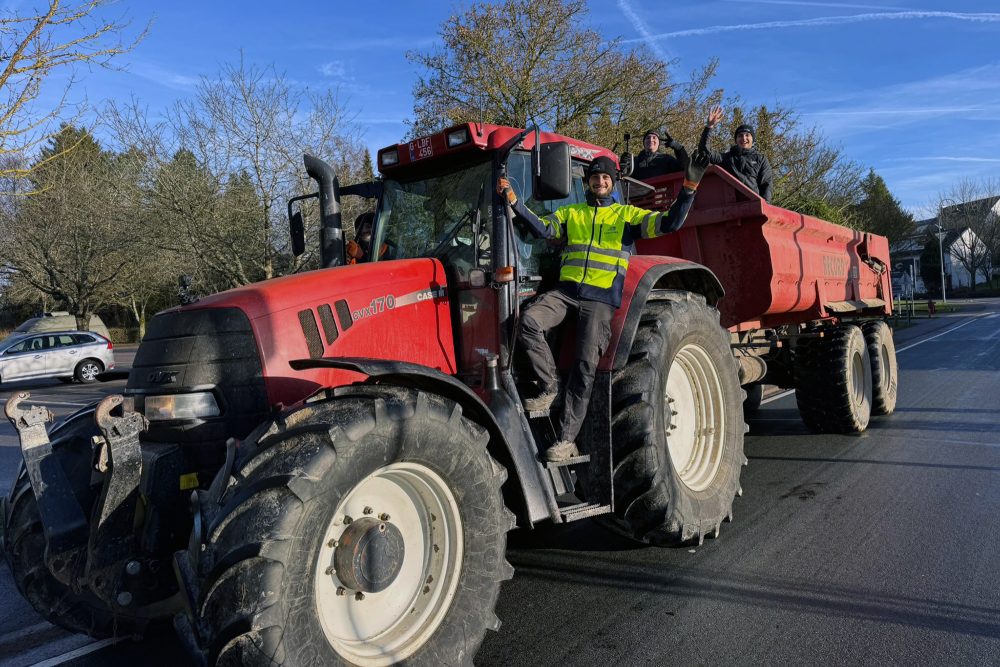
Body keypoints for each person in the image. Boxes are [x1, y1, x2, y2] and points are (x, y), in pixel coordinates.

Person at [496, 150, 709, 462]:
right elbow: (543, 229)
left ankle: (567, 440)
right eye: (595, 177)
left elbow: (669, 223)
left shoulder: (626, 216)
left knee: (584, 366)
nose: (599, 182)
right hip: (566, 293)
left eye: (605, 177)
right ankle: (549, 386)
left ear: (612, 182)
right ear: (588, 183)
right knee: (528, 321)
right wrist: (515, 202)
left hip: (599, 301)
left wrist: (689, 187)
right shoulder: (573, 214)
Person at [698, 106, 773, 201]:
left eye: (747, 135)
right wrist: (709, 127)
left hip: (753, 204)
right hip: (731, 205)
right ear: (736, 140)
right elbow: (705, 153)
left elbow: (766, 184)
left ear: (752, 139)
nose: (744, 138)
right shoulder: (727, 158)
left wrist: (764, 206)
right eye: (740, 136)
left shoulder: (761, 159)